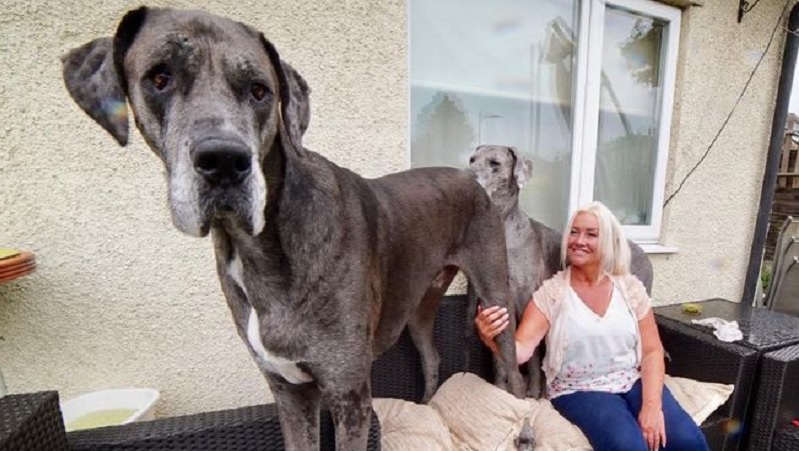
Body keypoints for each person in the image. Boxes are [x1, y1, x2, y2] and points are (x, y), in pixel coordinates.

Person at [475, 201, 708, 451]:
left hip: (631, 380)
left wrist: (652, 406)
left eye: (590, 234)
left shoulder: (629, 288)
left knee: (688, 441)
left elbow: (652, 350)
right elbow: (521, 349)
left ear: (608, 242)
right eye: (574, 232)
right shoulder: (553, 293)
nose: (578, 240)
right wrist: (492, 337)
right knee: (629, 446)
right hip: (579, 390)